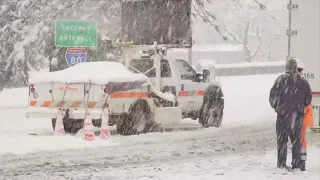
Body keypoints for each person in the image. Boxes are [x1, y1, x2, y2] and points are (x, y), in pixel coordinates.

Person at [269, 58, 312, 170]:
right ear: (296, 67)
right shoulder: (303, 82)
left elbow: (272, 97)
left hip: (283, 117)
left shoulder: (280, 80)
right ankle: (297, 165)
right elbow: (308, 99)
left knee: (282, 142)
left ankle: (282, 165)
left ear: (286, 68)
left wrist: (279, 109)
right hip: (297, 117)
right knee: (296, 142)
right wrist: (299, 106)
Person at [296, 60, 314, 171]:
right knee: (301, 141)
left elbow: (306, 102)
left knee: (300, 140)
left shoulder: (301, 83)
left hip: (302, 117)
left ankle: (301, 163)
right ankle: (301, 162)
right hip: (303, 116)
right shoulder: (303, 83)